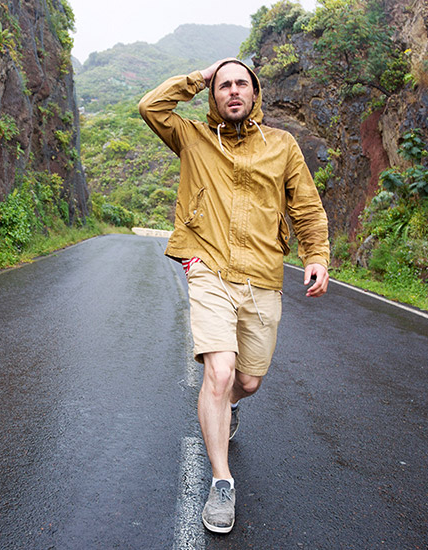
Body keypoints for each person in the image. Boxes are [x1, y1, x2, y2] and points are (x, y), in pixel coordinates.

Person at [139, 58, 330, 534]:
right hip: (209, 268)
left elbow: (306, 205)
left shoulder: (282, 145)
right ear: (214, 95)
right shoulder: (193, 138)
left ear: (255, 92)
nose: (232, 91)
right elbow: (150, 106)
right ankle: (221, 481)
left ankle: (232, 407)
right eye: (223, 85)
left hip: (263, 276)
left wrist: (317, 255)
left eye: (241, 83)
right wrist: (199, 76)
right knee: (219, 373)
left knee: (247, 382)